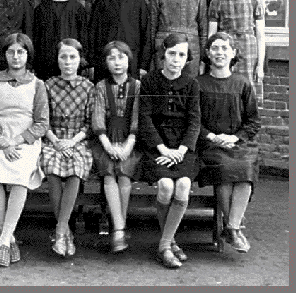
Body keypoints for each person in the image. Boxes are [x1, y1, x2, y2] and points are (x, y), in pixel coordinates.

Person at [0, 33, 49, 267]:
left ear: (28, 55)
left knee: (19, 178)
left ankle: (3, 240)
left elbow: (42, 122)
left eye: (21, 52)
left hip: (24, 140)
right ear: (5, 55)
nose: (16, 57)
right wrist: (1, 141)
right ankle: (9, 238)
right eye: (11, 52)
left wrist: (18, 140)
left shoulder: (37, 85)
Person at [139, 33, 201, 269]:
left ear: (187, 59)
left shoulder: (192, 84)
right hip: (158, 145)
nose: (176, 59)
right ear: (163, 55)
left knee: (183, 185)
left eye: (182, 55)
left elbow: (194, 121)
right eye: (172, 53)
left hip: (184, 148)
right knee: (166, 186)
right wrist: (163, 149)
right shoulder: (150, 82)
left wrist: (182, 150)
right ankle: (170, 242)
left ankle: (164, 246)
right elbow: (145, 118)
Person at [197, 32, 261, 253]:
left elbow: (253, 121)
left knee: (244, 167)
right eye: (215, 48)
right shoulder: (198, 84)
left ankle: (231, 227)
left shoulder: (242, 84)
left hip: (237, 142)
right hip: (211, 144)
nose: (220, 53)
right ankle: (233, 229)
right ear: (207, 53)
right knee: (224, 169)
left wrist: (235, 137)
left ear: (233, 53)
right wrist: (213, 137)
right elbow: (193, 121)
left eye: (225, 48)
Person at [41, 39, 94, 258]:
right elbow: (42, 120)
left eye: (73, 57)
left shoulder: (88, 87)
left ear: (80, 60)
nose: (68, 62)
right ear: (57, 59)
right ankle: (65, 232)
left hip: (77, 140)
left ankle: (61, 230)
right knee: (52, 169)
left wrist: (72, 142)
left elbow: (90, 123)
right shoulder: (48, 85)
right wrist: (56, 141)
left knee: (76, 169)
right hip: (53, 138)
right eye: (63, 57)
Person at [92, 41, 141, 254]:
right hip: (106, 139)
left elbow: (138, 119)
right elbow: (98, 118)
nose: (117, 63)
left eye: (121, 57)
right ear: (106, 62)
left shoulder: (137, 86)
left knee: (124, 173)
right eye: (111, 58)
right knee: (109, 173)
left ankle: (118, 226)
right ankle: (119, 227)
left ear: (128, 59)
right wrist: (107, 144)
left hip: (131, 139)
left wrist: (128, 144)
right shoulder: (101, 87)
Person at [87, 0, 149, 84]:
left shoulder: (139, 4)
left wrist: (143, 65)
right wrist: (92, 63)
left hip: (131, 61)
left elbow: (146, 36)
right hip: (104, 61)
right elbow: (92, 35)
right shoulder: (100, 3)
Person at [147, 0, 207, 78]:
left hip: (191, 50)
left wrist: (203, 59)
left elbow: (203, 31)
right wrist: (152, 55)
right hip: (164, 48)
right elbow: (152, 29)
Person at [208, 0, 265, 85]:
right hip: (224, 49)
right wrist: (211, 59)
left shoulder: (255, 1)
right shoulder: (217, 1)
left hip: (248, 49)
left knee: (246, 86)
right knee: (224, 85)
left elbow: (260, 36)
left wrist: (260, 65)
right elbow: (211, 35)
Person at [33, 0, 88, 81]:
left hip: (71, 66)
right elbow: (36, 39)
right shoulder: (41, 9)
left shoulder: (78, 9)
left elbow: (83, 38)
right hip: (46, 67)